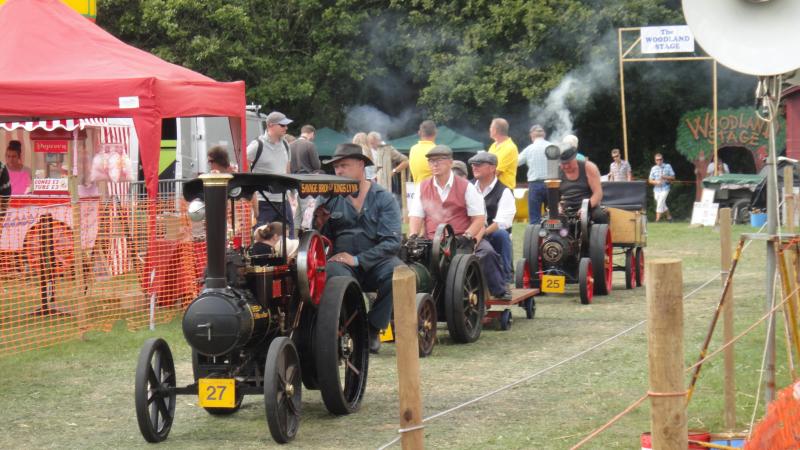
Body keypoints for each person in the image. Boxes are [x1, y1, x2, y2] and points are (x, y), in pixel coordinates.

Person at [314, 143, 404, 354]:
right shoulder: (329, 198)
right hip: (341, 264)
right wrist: (319, 224)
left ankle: (373, 328)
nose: (339, 171)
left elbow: (391, 243)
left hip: (376, 263)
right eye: (336, 168)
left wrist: (357, 260)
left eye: (344, 165)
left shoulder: (383, 198)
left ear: (361, 165)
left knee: (396, 272)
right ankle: (348, 328)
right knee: (331, 273)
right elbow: (319, 241)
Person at [408, 145, 510, 300]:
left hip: (461, 240)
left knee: (487, 253)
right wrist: (414, 235)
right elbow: (416, 216)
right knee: (410, 260)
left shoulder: (467, 187)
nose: (435, 164)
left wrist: (468, 236)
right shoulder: (422, 187)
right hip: (433, 242)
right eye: (431, 161)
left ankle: (499, 289)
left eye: (439, 160)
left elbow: (479, 219)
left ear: (450, 162)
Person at [246, 111, 295, 236]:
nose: (286, 128)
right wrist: (251, 195)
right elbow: (242, 167)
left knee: (289, 238)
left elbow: (287, 170)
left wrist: (291, 195)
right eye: (282, 125)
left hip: (283, 199)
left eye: (286, 125)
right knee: (262, 239)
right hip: (263, 201)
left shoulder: (285, 144)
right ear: (270, 125)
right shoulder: (257, 145)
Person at [469, 151, 516, 283]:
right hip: (470, 233)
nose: (474, 167)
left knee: (502, 234)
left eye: (479, 164)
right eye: (473, 164)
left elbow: (502, 222)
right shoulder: (468, 187)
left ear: (492, 168)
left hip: (492, 235)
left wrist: (481, 233)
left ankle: (505, 278)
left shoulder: (505, 191)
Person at [559, 146, 607, 223]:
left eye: (568, 162)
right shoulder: (557, 171)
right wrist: (558, 207)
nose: (566, 166)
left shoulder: (589, 167)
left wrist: (585, 208)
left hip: (589, 205)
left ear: (575, 158)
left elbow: (598, 194)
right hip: (566, 208)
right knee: (548, 223)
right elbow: (554, 196)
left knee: (599, 216)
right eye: (563, 163)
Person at [290, 125, 322, 231]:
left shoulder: (290, 145)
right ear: (311, 133)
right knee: (308, 213)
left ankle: (294, 240)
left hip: (293, 182)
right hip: (307, 182)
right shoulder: (310, 145)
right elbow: (317, 166)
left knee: (296, 214)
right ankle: (307, 240)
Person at [517, 124, 551, 224]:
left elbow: (517, 162)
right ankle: (553, 236)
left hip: (535, 185)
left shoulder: (528, 149)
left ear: (531, 135)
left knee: (534, 217)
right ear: (544, 134)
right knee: (553, 214)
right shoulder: (552, 147)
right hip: (551, 184)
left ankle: (536, 237)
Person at [487, 118, 518, 190]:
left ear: (495, 130)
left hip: (504, 191)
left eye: (491, 127)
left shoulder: (510, 148)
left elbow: (496, 172)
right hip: (493, 189)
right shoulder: (493, 145)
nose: (489, 129)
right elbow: (486, 165)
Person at [648, 153, 675, 222]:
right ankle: (669, 217)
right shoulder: (653, 168)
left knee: (660, 202)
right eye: (657, 160)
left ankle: (657, 219)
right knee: (661, 202)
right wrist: (656, 182)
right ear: (655, 161)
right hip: (656, 189)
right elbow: (650, 180)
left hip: (665, 188)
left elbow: (673, 177)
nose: (659, 161)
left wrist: (665, 177)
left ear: (662, 159)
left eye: (660, 159)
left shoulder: (668, 166)